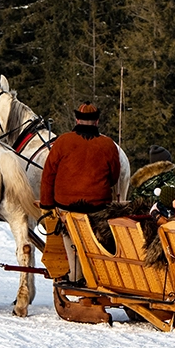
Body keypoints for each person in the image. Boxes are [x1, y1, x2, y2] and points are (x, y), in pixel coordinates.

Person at [40, 103, 122, 284]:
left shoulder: (62, 141)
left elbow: (48, 175)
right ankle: (98, 276)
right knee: (96, 243)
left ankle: (76, 277)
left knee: (71, 242)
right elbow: (114, 176)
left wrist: (47, 205)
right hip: (98, 208)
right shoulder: (108, 144)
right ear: (97, 121)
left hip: (66, 208)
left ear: (77, 119)